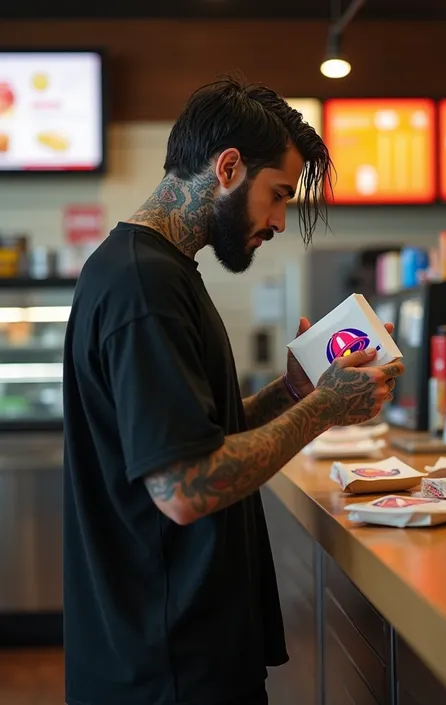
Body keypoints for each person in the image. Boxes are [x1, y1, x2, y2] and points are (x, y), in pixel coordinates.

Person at [62, 76, 404, 705]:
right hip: (168, 672)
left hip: (174, 654)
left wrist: (292, 393)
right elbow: (185, 489)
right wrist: (326, 408)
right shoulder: (144, 287)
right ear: (227, 168)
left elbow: (198, 434)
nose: (278, 221)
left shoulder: (159, 271)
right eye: (276, 196)